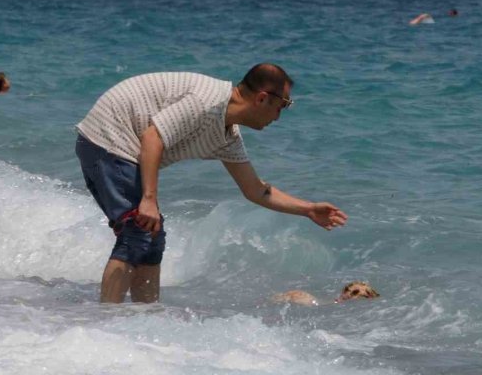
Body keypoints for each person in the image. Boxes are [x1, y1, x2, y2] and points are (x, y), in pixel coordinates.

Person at [75, 65, 348, 304]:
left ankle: (145, 319)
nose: (279, 116)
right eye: (283, 106)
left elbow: (255, 190)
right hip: (108, 137)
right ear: (263, 98)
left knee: (153, 239)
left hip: (122, 150)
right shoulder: (207, 102)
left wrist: (308, 209)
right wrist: (148, 198)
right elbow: (152, 137)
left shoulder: (227, 135)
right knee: (138, 230)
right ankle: (106, 318)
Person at [272, 281, 380, 306]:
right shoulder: (337, 302)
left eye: (354, 293)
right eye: (346, 289)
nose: (347, 293)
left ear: (368, 297)